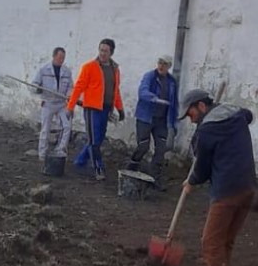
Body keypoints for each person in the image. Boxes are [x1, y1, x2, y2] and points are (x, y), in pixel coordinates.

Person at [180, 89, 257, 266]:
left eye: (191, 114)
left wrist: (191, 182)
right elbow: (249, 115)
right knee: (225, 239)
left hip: (227, 190)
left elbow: (202, 168)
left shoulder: (207, 130)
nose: (191, 120)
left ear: (201, 106)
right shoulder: (235, 114)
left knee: (211, 240)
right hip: (248, 186)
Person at [68, 38, 124, 181]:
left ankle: (80, 161)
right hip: (92, 108)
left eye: (106, 51)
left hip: (106, 108)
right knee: (94, 140)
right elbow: (79, 87)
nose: (102, 53)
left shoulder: (115, 69)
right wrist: (70, 106)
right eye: (101, 50)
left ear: (111, 53)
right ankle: (98, 168)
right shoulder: (89, 67)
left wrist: (120, 108)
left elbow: (115, 90)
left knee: (98, 138)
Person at [127, 54, 178, 190]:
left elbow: (174, 103)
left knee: (161, 149)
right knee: (143, 146)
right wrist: (154, 98)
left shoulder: (172, 82)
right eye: (160, 62)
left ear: (169, 66)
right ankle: (131, 170)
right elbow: (142, 91)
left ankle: (155, 178)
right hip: (145, 117)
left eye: (165, 64)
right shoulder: (150, 76)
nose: (161, 66)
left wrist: (174, 122)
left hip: (161, 120)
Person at [33, 47, 74, 164]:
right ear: (54, 56)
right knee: (45, 129)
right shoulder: (43, 70)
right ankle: (42, 154)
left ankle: (60, 151)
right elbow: (34, 84)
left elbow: (71, 87)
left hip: (62, 103)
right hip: (48, 103)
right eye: (60, 57)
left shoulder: (67, 72)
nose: (61, 60)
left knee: (67, 126)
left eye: (63, 58)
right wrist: (37, 89)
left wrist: (69, 95)